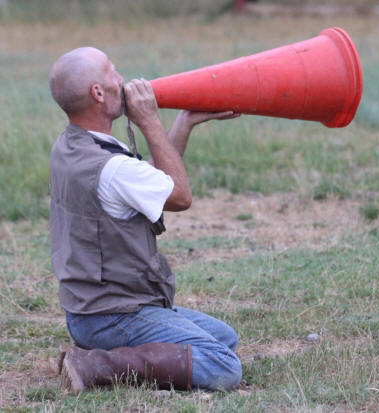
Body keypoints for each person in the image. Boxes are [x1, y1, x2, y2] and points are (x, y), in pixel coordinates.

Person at [48, 47, 242, 393]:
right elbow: (179, 196)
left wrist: (183, 121)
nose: (122, 80)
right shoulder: (110, 168)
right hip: (111, 315)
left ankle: (110, 353)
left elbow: (150, 182)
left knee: (224, 338)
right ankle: (94, 364)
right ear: (98, 92)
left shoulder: (72, 146)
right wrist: (149, 120)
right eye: (113, 73)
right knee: (223, 366)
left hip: (88, 310)